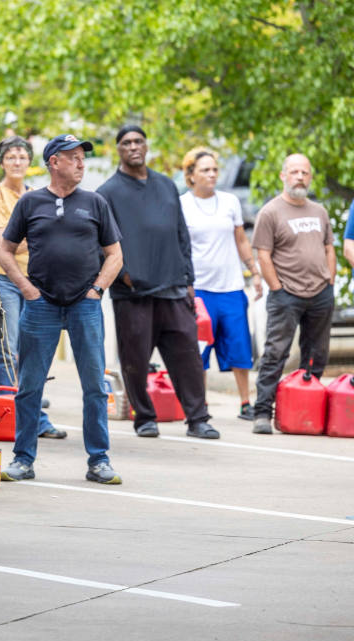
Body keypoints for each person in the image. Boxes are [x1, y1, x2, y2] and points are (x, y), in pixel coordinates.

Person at [0, 135, 124, 485]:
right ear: (54, 162)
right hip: (42, 305)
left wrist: (97, 289)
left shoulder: (95, 202)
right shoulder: (30, 202)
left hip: (85, 305)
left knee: (95, 386)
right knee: (29, 386)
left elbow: (115, 254)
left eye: (83, 157)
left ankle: (99, 460)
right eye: (74, 157)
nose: (82, 163)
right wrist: (26, 289)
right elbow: (5, 250)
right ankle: (23, 459)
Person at [97, 125, 220, 440]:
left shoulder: (167, 186)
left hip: (173, 288)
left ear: (146, 146)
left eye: (139, 141)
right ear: (118, 149)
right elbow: (101, 243)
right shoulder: (107, 193)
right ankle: (144, 417)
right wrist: (123, 277)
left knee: (189, 358)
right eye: (126, 142)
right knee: (135, 360)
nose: (134, 147)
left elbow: (182, 234)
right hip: (132, 294)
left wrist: (189, 281)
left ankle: (198, 419)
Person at [0, 136, 65, 439]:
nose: (17, 162)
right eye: (11, 157)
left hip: (36, 282)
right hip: (4, 279)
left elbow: (51, 240)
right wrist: (31, 239)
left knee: (36, 352)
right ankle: (3, 418)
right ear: (2, 162)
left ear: (30, 163)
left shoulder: (38, 195)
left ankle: (35, 419)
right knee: (8, 352)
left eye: (22, 157)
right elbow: (3, 244)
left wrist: (26, 240)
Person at [251, 154, 335, 434]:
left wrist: (330, 281)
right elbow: (263, 254)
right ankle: (262, 412)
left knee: (317, 354)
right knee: (276, 353)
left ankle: (306, 407)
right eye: (294, 172)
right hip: (286, 294)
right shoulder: (271, 212)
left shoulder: (319, 212)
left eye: (305, 172)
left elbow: (328, 248)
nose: (300, 177)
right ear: (283, 176)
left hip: (320, 293)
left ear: (310, 177)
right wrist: (276, 287)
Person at [180, 148, 263, 420]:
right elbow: (178, 247)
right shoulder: (182, 204)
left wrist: (254, 271)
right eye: (205, 170)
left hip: (231, 287)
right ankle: (200, 406)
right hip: (199, 290)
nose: (212, 174)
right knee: (198, 351)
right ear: (191, 175)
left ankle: (245, 403)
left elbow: (241, 239)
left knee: (239, 348)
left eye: (214, 169)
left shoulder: (230, 202)